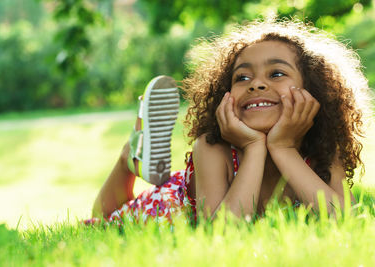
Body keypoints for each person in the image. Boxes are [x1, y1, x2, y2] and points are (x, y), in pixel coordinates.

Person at [86, 19, 372, 225]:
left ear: (312, 91)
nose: (256, 84)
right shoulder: (212, 148)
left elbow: (343, 219)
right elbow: (224, 230)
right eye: (242, 78)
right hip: (171, 207)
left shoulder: (322, 151)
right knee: (106, 218)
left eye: (276, 74)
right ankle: (129, 157)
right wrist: (254, 147)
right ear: (226, 96)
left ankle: (133, 153)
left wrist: (283, 149)